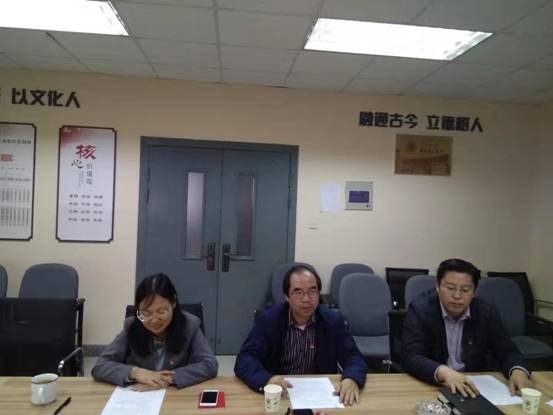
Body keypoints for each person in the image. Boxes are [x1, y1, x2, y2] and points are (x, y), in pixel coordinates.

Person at [234, 265, 367, 406]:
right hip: (280, 394)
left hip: (320, 395)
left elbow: (354, 358)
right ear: (287, 296)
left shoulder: (332, 321)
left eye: (312, 291)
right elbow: (245, 359)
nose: (306, 299)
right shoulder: (269, 320)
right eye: (298, 292)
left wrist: (351, 379)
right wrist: (267, 380)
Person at [401, 258, 531, 397]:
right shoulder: (420, 309)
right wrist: (443, 372)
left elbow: (507, 350)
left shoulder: (485, 311)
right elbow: (411, 355)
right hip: (433, 385)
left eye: (465, 290)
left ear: (474, 291)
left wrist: (518, 371)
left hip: (473, 386)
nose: (457, 296)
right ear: (438, 286)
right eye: (450, 288)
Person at [92, 273, 218, 390]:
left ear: (173, 303)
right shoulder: (131, 326)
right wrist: (135, 373)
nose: (154, 320)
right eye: (146, 313)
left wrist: (169, 378)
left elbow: (210, 364)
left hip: (175, 395)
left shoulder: (189, 325)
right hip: (138, 396)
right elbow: (100, 366)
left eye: (161, 312)